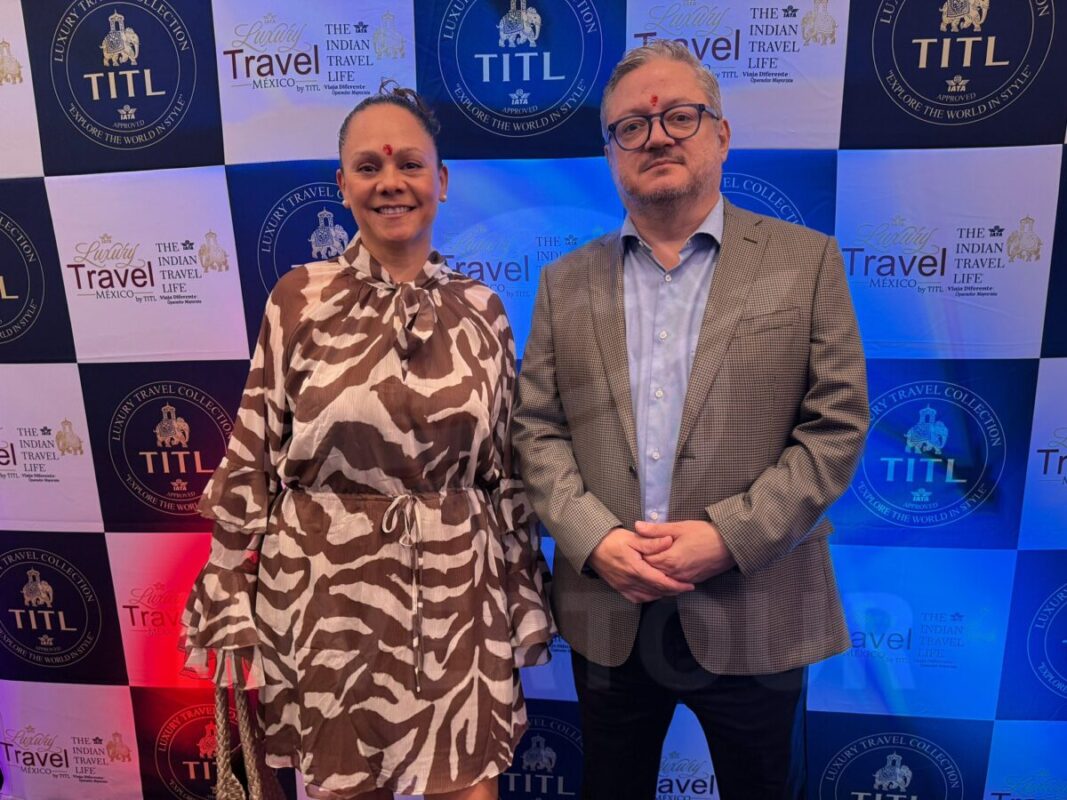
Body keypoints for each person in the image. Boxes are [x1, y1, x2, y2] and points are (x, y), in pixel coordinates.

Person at [513, 41, 868, 799]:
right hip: (608, 609)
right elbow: (534, 430)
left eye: (680, 116)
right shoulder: (563, 282)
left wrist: (728, 537)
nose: (657, 138)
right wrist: (594, 538)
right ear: (610, 152)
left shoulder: (805, 261)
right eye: (631, 127)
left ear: (721, 133)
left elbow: (835, 428)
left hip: (757, 600)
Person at [181, 83, 554, 800]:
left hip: (458, 596)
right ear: (342, 185)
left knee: (467, 786)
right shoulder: (298, 298)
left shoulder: (483, 310)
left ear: (441, 181)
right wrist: (225, 582)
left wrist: (520, 594)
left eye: (410, 164)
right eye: (369, 167)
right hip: (325, 597)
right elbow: (253, 448)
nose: (391, 182)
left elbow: (505, 472)